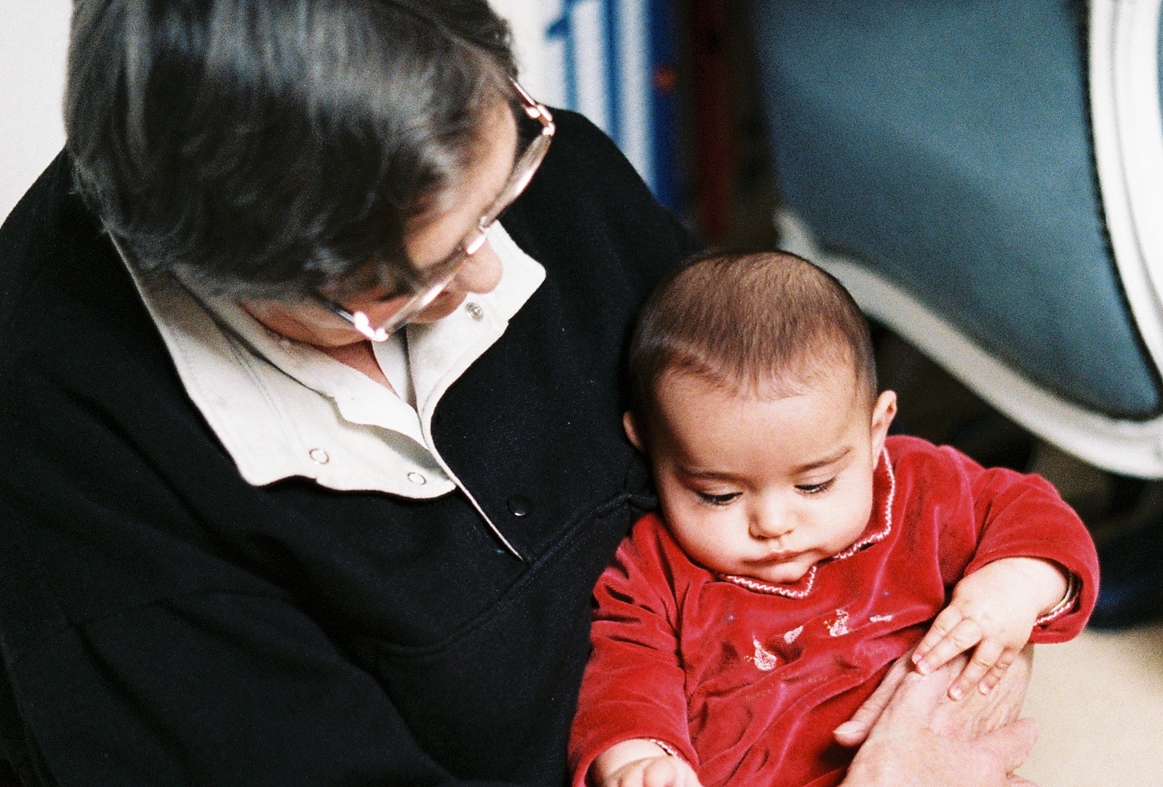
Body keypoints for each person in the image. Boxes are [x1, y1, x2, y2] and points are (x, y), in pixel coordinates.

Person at [0, 1, 1064, 785]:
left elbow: (792, 425)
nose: (485, 271)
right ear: (220, 276)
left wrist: (955, 659)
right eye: (398, 286)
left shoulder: (524, 172)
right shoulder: (71, 453)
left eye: (496, 186)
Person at [568, 251, 1100, 787]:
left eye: (814, 484)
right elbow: (625, 678)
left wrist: (1013, 585)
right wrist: (640, 760)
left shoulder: (918, 486)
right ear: (649, 446)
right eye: (719, 495)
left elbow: (1031, 513)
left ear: (875, 433)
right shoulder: (651, 568)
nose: (773, 523)